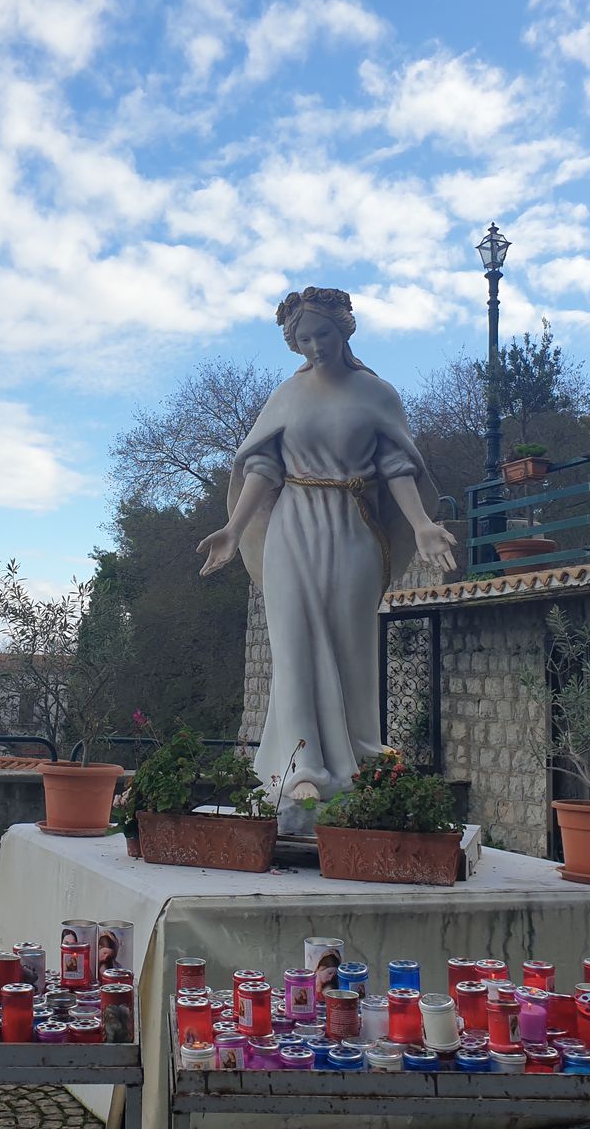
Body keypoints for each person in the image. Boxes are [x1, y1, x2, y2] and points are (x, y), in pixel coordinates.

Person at [198, 287, 455, 821]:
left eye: (323, 334)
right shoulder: (287, 396)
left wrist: (422, 525)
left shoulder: (377, 394)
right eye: (304, 338)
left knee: (350, 645)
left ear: (343, 330)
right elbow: (263, 467)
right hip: (292, 528)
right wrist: (233, 529)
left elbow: (397, 468)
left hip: (353, 528)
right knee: (293, 644)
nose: (315, 346)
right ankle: (301, 770)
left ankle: (359, 759)